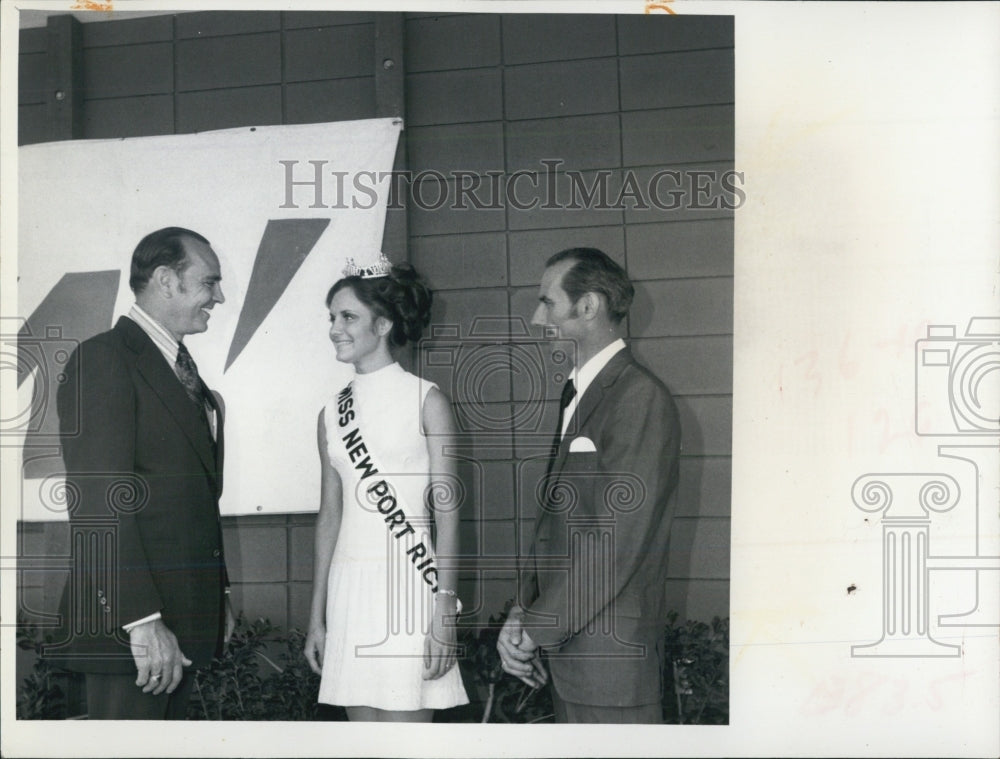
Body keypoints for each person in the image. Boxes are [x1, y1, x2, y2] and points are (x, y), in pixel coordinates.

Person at [48, 226, 234, 719]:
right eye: (209, 282)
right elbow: (96, 502)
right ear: (166, 280)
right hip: (133, 633)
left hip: (179, 623)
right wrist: (142, 620)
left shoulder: (175, 367)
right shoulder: (105, 359)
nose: (219, 297)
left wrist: (218, 594)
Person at [497, 247, 682, 723]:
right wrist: (523, 612)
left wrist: (536, 629)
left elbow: (615, 542)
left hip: (610, 667)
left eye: (548, 302)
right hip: (574, 660)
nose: (538, 319)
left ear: (588, 306)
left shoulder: (638, 396)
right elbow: (555, 527)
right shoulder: (578, 392)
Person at [304, 255, 468, 722]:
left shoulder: (426, 400)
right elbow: (330, 515)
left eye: (347, 317)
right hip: (349, 588)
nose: (334, 329)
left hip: (410, 584)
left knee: (407, 741)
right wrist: (316, 617)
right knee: (364, 744)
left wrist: (444, 611)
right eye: (332, 317)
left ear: (383, 324)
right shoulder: (331, 412)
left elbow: (448, 516)